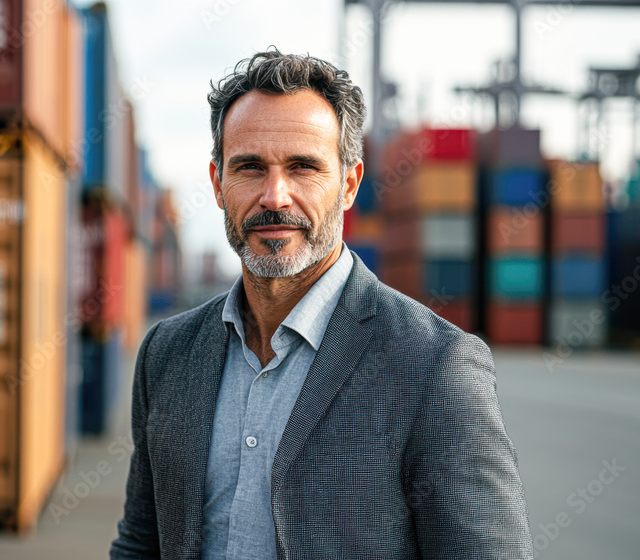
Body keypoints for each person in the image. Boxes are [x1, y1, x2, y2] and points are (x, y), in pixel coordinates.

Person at [109, 49, 533, 559]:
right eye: (249, 168)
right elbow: (141, 542)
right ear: (219, 183)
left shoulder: (436, 367)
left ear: (349, 185)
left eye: (303, 167)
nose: (274, 196)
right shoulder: (166, 354)